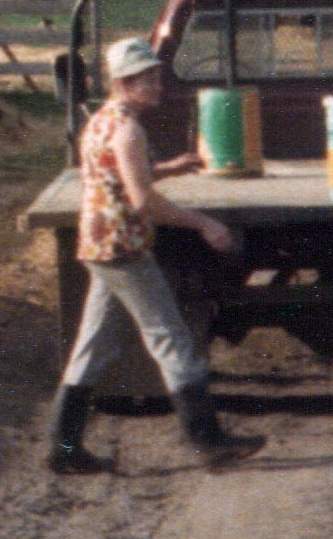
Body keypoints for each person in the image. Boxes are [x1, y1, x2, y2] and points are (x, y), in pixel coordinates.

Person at [50, 38, 265, 473]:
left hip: (98, 246)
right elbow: (144, 200)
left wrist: (170, 166)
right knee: (172, 339)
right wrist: (204, 223)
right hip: (123, 248)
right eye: (148, 78)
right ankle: (208, 442)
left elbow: (112, 173)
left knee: (93, 348)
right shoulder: (129, 129)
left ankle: (63, 448)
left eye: (156, 75)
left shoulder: (101, 122)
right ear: (125, 83)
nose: (158, 84)